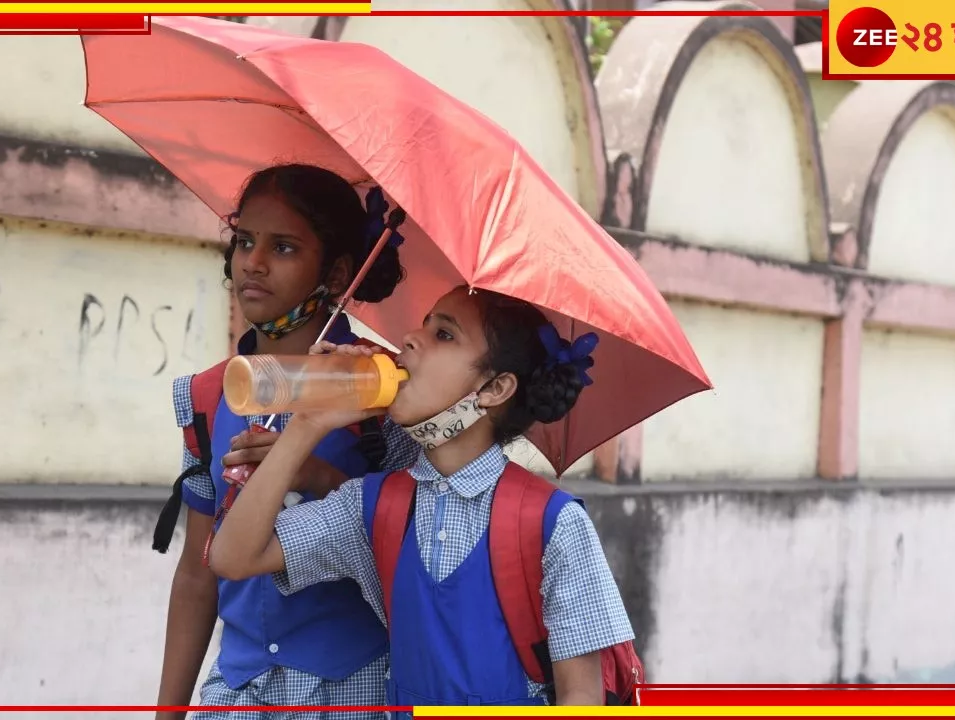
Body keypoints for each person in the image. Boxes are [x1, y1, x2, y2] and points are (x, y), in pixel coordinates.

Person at [208, 286, 637, 711]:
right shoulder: (372, 506)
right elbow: (234, 557)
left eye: (444, 335)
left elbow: (581, 696)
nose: (411, 338)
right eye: (424, 324)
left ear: (494, 388)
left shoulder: (552, 522)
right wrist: (307, 424)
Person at [154, 164, 419, 720]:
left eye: (285, 247)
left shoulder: (386, 390)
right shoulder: (206, 396)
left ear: (337, 271)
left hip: (355, 690)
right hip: (239, 691)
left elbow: (413, 541)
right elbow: (199, 571)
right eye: (245, 241)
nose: (253, 261)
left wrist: (317, 476)